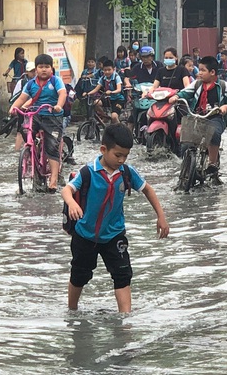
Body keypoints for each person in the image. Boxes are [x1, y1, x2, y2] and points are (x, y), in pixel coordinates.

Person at [63, 123, 169, 312]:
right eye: (117, 155)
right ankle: (72, 310)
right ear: (103, 149)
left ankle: (125, 319)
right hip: (85, 235)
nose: (122, 160)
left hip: (114, 234)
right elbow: (67, 190)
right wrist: (72, 203)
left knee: (122, 274)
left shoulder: (126, 173)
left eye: (125, 156)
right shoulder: (88, 172)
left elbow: (148, 190)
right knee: (80, 274)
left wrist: (161, 216)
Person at [9, 53, 67, 192]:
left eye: (47, 67)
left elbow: (62, 94)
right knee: (24, 130)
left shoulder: (56, 81)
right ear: (36, 69)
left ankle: (53, 179)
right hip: (36, 115)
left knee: (52, 147)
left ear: (51, 69)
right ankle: (30, 152)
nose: (44, 69)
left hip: (52, 117)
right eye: (41, 67)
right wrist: (13, 108)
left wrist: (58, 105)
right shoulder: (31, 84)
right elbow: (22, 98)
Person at [176, 56, 227, 179]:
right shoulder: (197, 84)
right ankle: (186, 166)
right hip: (196, 116)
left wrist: (226, 107)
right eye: (199, 70)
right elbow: (185, 93)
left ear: (212, 72)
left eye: (203, 70)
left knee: (214, 133)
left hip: (215, 117)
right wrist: (176, 97)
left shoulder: (223, 86)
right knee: (185, 143)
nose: (199, 73)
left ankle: (212, 163)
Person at [8, 61, 36, 151]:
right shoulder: (22, 82)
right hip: (23, 110)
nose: (34, 73)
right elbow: (16, 96)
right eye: (31, 71)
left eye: (34, 70)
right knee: (20, 130)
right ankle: (17, 151)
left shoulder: (39, 82)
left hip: (36, 110)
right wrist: (15, 108)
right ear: (27, 72)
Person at [87, 60, 123, 124]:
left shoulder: (116, 77)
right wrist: (87, 93)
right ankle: (105, 117)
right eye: (105, 70)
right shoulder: (103, 78)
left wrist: (111, 92)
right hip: (108, 98)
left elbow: (119, 89)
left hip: (118, 99)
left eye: (109, 70)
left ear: (113, 69)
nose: (107, 72)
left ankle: (119, 130)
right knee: (96, 103)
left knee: (114, 117)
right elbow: (96, 89)